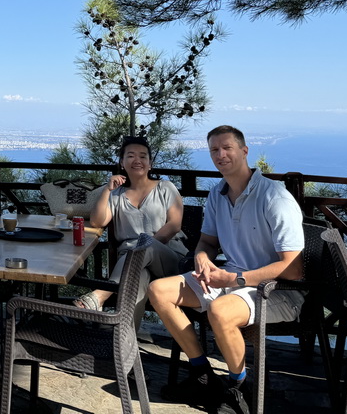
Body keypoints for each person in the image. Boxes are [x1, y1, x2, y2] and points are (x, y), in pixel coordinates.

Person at [148, 125, 304, 414]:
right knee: (159, 290)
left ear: (244, 151)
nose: (220, 154)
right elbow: (207, 241)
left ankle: (239, 387)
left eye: (227, 147)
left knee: (220, 310)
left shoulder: (275, 198)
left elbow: (292, 269)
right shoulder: (217, 193)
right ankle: (203, 375)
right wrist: (203, 258)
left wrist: (234, 279)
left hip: (278, 291)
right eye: (214, 150)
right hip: (230, 278)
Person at [74, 135, 186, 327]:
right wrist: (107, 191)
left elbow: (174, 225)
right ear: (122, 162)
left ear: (150, 163)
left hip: (168, 259)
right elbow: (97, 220)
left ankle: (100, 295)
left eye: (143, 156)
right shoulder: (116, 195)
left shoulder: (165, 188)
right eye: (131, 156)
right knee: (138, 279)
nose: (137, 160)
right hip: (132, 266)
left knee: (146, 246)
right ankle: (125, 346)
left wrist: (144, 247)